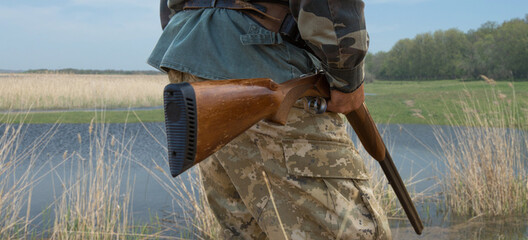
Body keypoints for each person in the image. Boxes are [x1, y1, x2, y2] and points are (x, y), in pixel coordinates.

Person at [147, 0, 391, 239]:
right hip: (268, 56)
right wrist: (347, 73)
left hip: (190, 49)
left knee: (245, 230)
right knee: (358, 231)